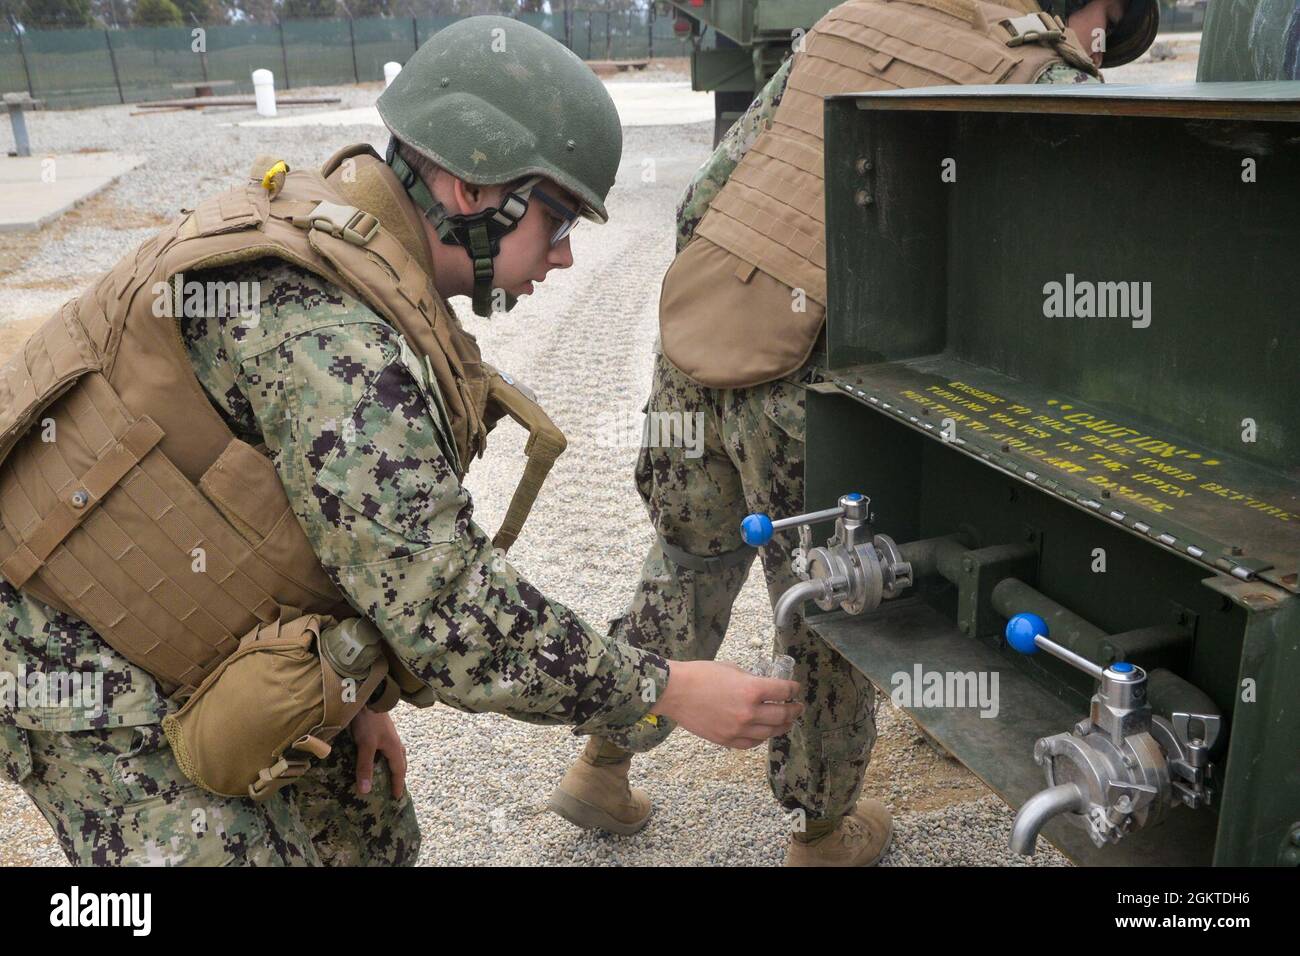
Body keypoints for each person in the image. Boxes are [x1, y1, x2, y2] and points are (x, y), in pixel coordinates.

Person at [0, 15, 800, 866]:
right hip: (68, 647)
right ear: (471, 190)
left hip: (176, 592)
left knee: (369, 831)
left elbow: (328, 520)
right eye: (559, 222)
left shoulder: (361, 245)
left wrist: (353, 695)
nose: (564, 259)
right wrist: (665, 689)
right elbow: (449, 608)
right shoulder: (332, 337)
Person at [548, 0, 1158, 866]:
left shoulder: (863, 15)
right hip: (805, 380)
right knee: (832, 610)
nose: (1100, 44)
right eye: (1110, 26)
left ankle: (601, 767)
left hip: (705, 327)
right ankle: (823, 835)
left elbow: (707, 196)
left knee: (689, 560)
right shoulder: (1042, 72)